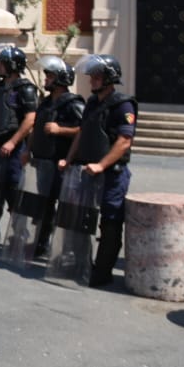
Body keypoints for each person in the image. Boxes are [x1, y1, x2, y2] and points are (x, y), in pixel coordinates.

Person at [59, 55, 138, 287]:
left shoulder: (123, 104)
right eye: (91, 75)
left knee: (110, 221)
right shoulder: (92, 103)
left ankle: (102, 271)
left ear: (110, 78)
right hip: (86, 171)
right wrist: (69, 159)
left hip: (111, 173)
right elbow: (82, 133)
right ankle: (81, 263)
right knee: (83, 218)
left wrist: (101, 165)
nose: (92, 80)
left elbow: (124, 141)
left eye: (97, 76)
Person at [0, 46, 39, 241]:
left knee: (12, 190)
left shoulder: (25, 89)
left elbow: (30, 119)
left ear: (12, 65)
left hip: (11, 148)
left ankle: (19, 234)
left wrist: (13, 142)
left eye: (1, 63)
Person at [26, 56, 84, 257]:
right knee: (44, 205)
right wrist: (28, 149)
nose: (46, 79)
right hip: (43, 161)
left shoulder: (72, 103)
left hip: (60, 163)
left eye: (50, 76)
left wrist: (60, 130)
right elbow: (36, 127)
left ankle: (67, 249)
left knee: (64, 206)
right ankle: (41, 242)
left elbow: (82, 130)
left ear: (60, 79)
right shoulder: (46, 102)